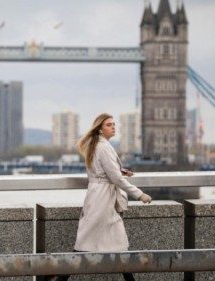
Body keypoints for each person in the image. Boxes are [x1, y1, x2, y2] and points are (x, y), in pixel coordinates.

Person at [53, 113, 152, 281]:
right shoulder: (104, 147)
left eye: (114, 124)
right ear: (100, 128)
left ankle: (62, 277)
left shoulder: (97, 145)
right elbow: (115, 178)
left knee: (98, 243)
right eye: (108, 124)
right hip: (103, 200)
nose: (113, 127)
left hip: (99, 197)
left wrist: (120, 170)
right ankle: (62, 277)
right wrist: (139, 194)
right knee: (91, 244)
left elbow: (102, 170)